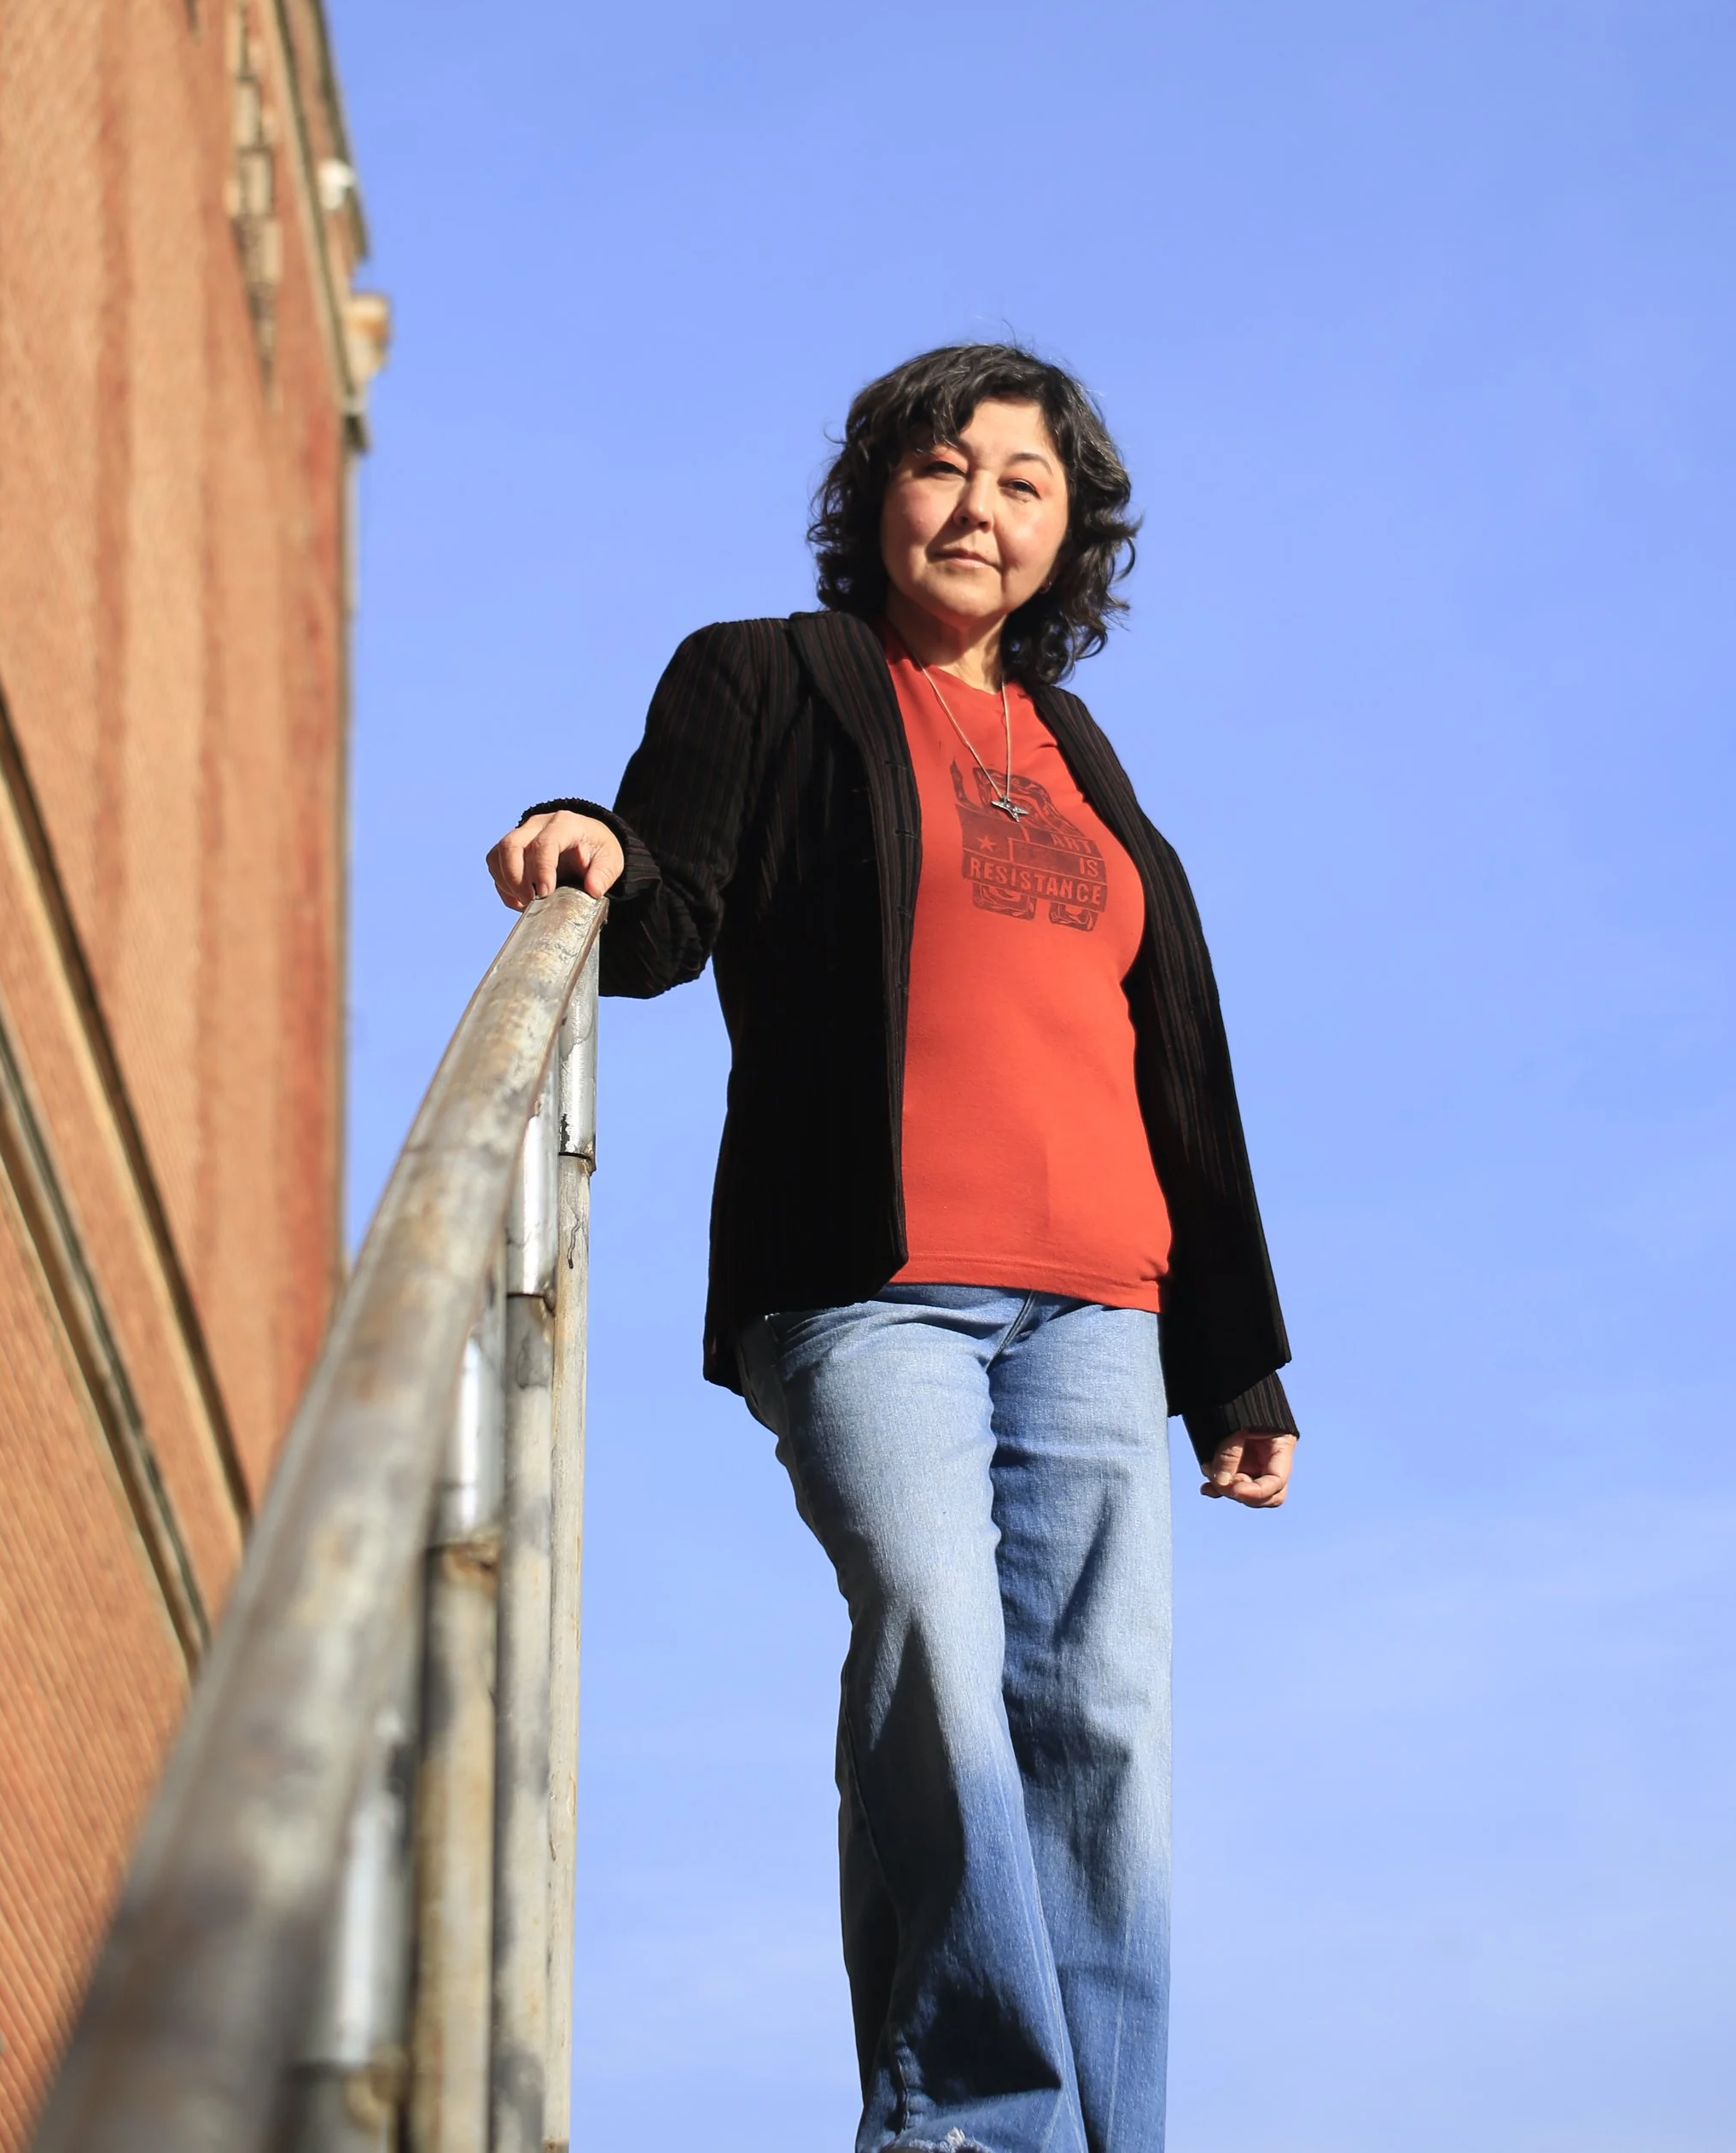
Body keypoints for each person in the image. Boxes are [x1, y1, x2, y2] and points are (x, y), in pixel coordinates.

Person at [487, 341, 1295, 2153]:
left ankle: (1109, 2134)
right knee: (933, 1644)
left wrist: (1231, 1356)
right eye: (944, 468)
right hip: (872, 1279)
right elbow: (668, 901)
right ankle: (968, 2124)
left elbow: (1175, 1055)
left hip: (1102, 1300)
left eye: (1022, 482)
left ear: (1066, 534)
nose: (978, 507)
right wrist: (587, 839)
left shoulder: (1083, 757)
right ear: (876, 496)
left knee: (1101, 1731)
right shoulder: (769, 677)